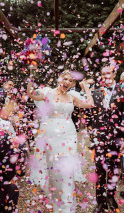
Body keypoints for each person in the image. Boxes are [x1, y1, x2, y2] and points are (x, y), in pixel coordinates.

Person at [27, 70, 94, 213]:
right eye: (65, 79)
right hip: (50, 135)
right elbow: (31, 94)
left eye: (71, 81)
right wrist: (31, 77)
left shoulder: (72, 97)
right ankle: (55, 199)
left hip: (69, 135)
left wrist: (86, 88)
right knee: (53, 169)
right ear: (59, 79)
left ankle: (67, 204)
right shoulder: (47, 93)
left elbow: (89, 104)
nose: (68, 82)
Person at [88, 64, 124, 213]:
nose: (106, 76)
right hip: (99, 138)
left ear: (114, 74)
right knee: (100, 169)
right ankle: (100, 202)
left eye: (109, 73)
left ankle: (110, 197)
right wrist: (92, 135)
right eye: (103, 74)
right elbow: (90, 116)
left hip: (116, 138)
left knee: (114, 169)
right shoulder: (95, 93)